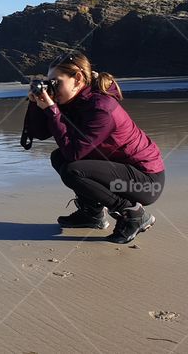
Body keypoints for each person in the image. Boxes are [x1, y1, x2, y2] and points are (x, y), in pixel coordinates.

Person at [23, 52, 165, 244]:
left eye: (56, 82)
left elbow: (75, 153)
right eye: (49, 82)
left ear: (78, 78)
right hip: (121, 175)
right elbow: (39, 133)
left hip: (146, 184)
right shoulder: (73, 102)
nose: (53, 88)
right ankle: (92, 214)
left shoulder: (100, 107)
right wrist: (36, 104)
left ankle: (133, 213)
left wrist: (52, 111)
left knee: (73, 170)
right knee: (59, 157)